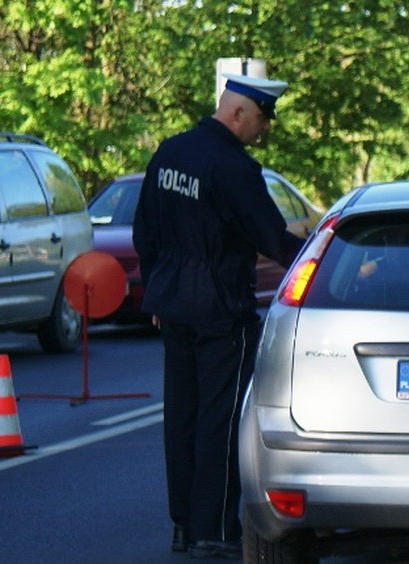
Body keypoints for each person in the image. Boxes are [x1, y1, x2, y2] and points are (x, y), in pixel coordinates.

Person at [132, 73, 304, 560]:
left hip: (174, 306)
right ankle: (216, 529)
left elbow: (144, 232)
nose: (264, 129)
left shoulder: (170, 152)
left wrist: (158, 294)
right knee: (222, 419)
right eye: (262, 119)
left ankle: (183, 525)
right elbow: (273, 240)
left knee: (180, 417)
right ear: (239, 114)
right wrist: (325, 254)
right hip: (221, 310)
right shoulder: (233, 167)